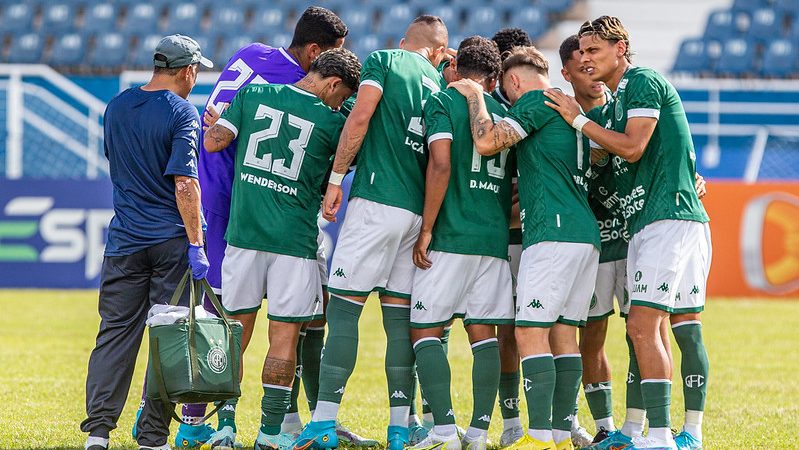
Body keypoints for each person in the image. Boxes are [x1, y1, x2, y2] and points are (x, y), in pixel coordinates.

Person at [178, 7, 372, 449]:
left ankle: (214, 425)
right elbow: (341, 154)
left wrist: (227, 128)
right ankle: (275, 430)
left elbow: (210, 135)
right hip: (277, 225)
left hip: (231, 207)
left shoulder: (252, 64)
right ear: (319, 57)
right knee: (287, 329)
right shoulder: (329, 118)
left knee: (230, 325)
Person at [544, 16, 711, 450]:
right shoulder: (614, 105)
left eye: (593, 50)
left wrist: (579, 121)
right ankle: (643, 431)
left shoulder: (642, 81)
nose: (584, 58)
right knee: (644, 328)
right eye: (580, 52)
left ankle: (668, 434)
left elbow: (634, 146)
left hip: (670, 218)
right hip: (646, 223)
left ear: (620, 48)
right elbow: (612, 156)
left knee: (654, 326)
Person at [293, 15, 449, 450]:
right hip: (415, 214)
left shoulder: (385, 60)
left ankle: (323, 423)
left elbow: (359, 117)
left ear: (405, 42)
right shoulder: (440, 83)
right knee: (400, 323)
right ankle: (401, 429)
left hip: (376, 202)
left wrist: (336, 178)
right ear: (439, 52)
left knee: (343, 311)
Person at [450, 45, 600, 450]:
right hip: (584, 235)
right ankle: (558, 433)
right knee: (564, 336)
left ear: (512, 82)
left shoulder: (534, 101)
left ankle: (536, 436)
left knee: (530, 332)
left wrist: (477, 98)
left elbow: (487, 142)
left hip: (551, 233)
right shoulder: (572, 106)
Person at [81, 35, 212, 450]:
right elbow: (185, 183)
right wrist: (198, 243)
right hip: (171, 242)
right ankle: (153, 437)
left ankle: (98, 433)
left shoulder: (116, 106)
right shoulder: (183, 112)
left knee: (115, 334)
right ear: (186, 70)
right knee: (166, 338)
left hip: (124, 242)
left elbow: (115, 161)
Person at [409, 39, 511, 450]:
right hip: (493, 239)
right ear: (493, 78)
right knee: (483, 333)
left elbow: (441, 162)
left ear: (455, 67)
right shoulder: (504, 113)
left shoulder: (441, 102)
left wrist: (427, 228)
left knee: (424, 330)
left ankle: (444, 431)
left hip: (452, 234)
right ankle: (480, 433)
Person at [489, 26, 534, 449]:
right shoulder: (486, 105)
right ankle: (511, 419)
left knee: (534, 326)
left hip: (526, 232)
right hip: (496, 232)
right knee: (504, 329)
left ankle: (545, 420)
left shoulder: (540, 103)